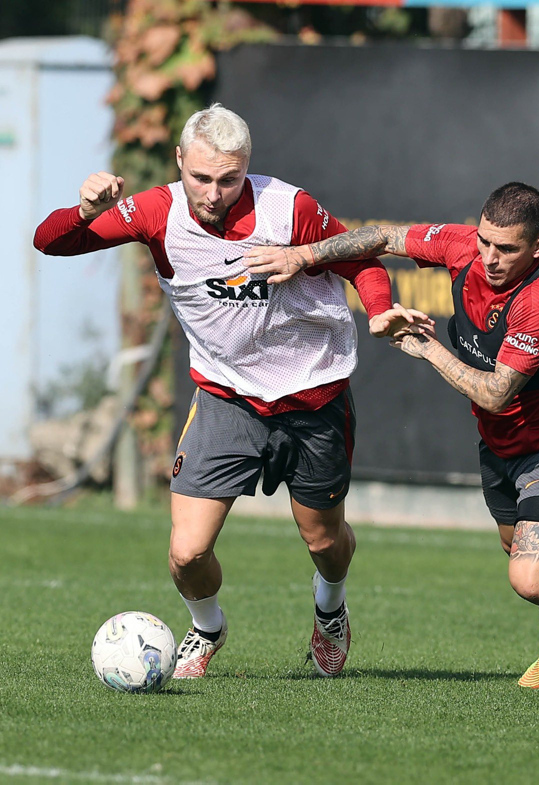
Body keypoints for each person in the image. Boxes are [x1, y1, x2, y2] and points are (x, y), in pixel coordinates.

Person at [34, 103, 423, 679]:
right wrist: (85, 209)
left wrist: (380, 309)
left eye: (229, 179)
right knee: (186, 553)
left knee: (324, 543)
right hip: (225, 395)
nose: (213, 192)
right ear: (179, 163)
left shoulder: (289, 208)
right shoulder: (155, 211)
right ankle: (207, 626)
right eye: (200, 177)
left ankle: (331, 610)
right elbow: (50, 242)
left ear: (248, 169)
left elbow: (361, 258)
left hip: (312, 394)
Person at [244, 182, 539, 699]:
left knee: (532, 578)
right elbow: (386, 237)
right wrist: (304, 254)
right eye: (486, 241)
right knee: (517, 550)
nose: (489, 257)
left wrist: (425, 348)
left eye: (507, 249)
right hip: (499, 446)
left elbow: (495, 393)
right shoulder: (463, 246)